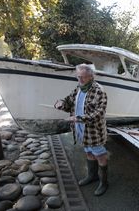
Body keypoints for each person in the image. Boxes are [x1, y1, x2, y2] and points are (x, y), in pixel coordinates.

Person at [54, 64, 108, 196]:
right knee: (88, 153)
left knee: (100, 156)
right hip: (81, 129)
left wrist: (78, 118)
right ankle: (92, 176)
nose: (80, 80)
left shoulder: (99, 91)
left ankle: (104, 182)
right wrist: (61, 104)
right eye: (78, 77)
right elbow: (69, 101)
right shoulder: (79, 87)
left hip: (94, 132)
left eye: (83, 77)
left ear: (91, 76)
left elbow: (98, 114)